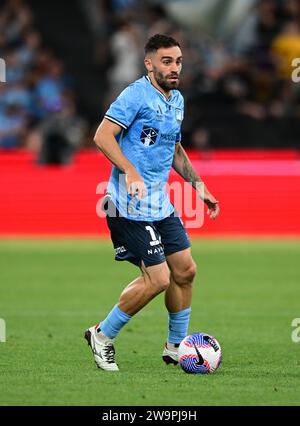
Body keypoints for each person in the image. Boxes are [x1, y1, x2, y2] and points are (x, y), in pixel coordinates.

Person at [85, 34, 220, 371]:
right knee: (158, 280)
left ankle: (176, 347)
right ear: (149, 63)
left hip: (160, 203)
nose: (174, 68)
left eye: (178, 62)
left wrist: (198, 186)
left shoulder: (177, 101)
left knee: (185, 271)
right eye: (166, 61)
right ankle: (102, 335)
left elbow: (174, 148)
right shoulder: (135, 95)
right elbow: (102, 136)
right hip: (126, 205)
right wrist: (129, 170)